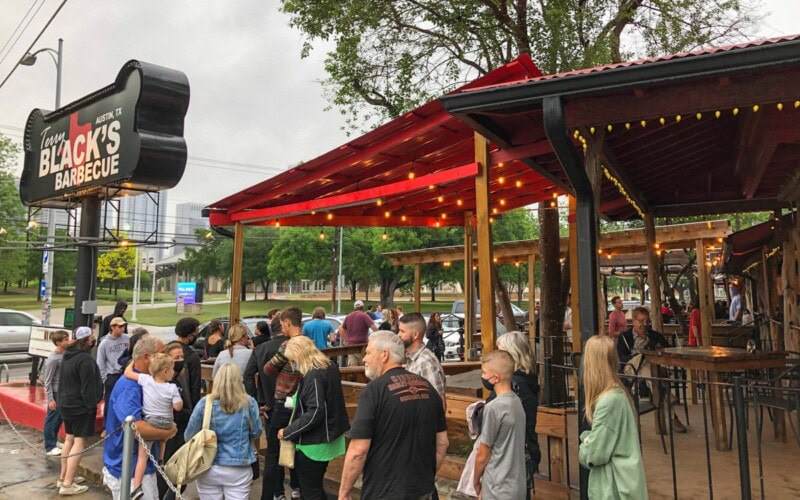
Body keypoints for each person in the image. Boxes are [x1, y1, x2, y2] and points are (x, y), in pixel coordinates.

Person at [339, 332, 448, 500]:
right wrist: (426, 477)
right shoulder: (427, 387)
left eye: (368, 353)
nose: (364, 359)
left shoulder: (374, 391)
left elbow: (358, 451)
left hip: (385, 492)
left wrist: (344, 492)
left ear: (384, 355)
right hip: (425, 491)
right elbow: (442, 442)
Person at [102, 335, 177, 499]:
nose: (166, 358)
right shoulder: (130, 387)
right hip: (128, 468)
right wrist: (167, 433)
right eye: (161, 353)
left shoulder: (147, 380)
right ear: (146, 358)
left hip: (135, 463)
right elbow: (136, 428)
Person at [278, 336, 349, 499]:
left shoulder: (313, 375)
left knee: (310, 490)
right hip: (330, 436)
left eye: (292, 360)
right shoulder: (329, 366)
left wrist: (288, 431)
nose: (292, 364)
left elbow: (316, 411)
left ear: (300, 356)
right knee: (314, 486)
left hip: (314, 443)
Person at [579, 335, 648, 499]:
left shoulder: (609, 402)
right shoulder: (616, 394)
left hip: (616, 489)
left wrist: (585, 441)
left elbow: (593, 454)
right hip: (619, 485)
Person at [185, 364, 262, 499]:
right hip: (239, 466)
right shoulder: (249, 403)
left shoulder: (205, 403)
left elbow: (189, 436)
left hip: (208, 466)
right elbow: (256, 432)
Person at [123, 353, 183, 500]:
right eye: (172, 369)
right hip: (167, 422)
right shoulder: (172, 388)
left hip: (152, 421)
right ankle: (161, 460)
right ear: (165, 372)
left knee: (142, 457)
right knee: (164, 437)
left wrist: (132, 362)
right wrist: (174, 401)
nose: (174, 372)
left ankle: (136, 487)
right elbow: (178, 407)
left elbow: (127, 373)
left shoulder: (146, 380)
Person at [618, 306, 686, 433]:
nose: (645, 324)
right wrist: (641, 355)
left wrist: (657, 350)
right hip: (631, 369)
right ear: (633, 320)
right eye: (641, 321)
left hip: (650, 370)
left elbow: (667, 351)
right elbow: (621, 359)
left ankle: (665, 400)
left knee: (649, 370)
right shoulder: (624, 337)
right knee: (643, 357)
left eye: (647, 321)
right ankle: (672, 413)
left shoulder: (655, 336)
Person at [261, 308, 305, 500]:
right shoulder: (308, 344)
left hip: (283, 401)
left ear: (286, 323)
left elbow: (268, 369)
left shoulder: (288, 346)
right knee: (298, 446)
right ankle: (298, 488)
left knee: (273, 451)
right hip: (302, 401)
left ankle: (272, 494)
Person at [490, 331, 541, 494]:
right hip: (520, 451)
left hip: (511, 455)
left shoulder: (515, 386)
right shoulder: (525, 381)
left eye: (501, 353)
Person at [473, 350, 527, 500]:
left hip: (497, 486)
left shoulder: (493, 408)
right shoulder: (517, 402)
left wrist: (476, 481)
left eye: (484, 373)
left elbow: (483, 454)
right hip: (517, 484)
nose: (482, 376)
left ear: (495, 377)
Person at [57, 326, 103, 496]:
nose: (93, 339)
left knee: (69, 440)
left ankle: (64, 477)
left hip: (66, 404)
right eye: (91, 337)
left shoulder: (67, 356)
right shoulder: (85, 360)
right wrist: (92, 405)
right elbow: (88, 388)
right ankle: (68, 483)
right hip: (79, 407)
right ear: (86, 340)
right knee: (79, 442)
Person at [157, 342, 194, 500]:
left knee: (182, 473)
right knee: (167, 469)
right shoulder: (166, 383)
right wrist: (191, 413)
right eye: (176, 357)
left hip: (183, 429)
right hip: (171, 429)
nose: (180, 360)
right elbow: (174, 410)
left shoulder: (182, 376)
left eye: (182, 356)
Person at [397, 312, 447, 410]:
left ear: (415, 335)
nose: (398, 335)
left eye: (402, 331)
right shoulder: (413, 358)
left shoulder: (426, 362)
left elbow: (439, 404)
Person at [97, 317, 130, 426]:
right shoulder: (104, 343)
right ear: (112, 327)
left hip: (125, 373)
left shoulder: (127, 338)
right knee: (110, 401)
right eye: (120, 326)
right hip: (112, 375)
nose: (122, 329)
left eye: (123, 326)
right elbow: (100, 362)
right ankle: (106, 426)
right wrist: (105, 378)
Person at [43, 329, 69, 456]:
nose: (67, 341)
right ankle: (49, 445)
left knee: (59, 418)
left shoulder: (65, 354)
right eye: (65, 340)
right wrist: (50, 399)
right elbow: (47, 380)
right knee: (52, 419)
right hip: (55, 392)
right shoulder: (53, 359)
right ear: (58, 342)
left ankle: (54, 440)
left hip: (64, 391)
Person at [337, 300, 377, 366]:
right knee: (364, 366)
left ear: (354, 308)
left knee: (353, 368)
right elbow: (374, 328)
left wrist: (346, 339)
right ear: (363, 308)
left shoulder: (348, 317)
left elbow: (341, 329)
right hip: (362, 346)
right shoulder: (364, 316)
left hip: (351, 346)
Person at [174, 317, 202, 408]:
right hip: (185, 404)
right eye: (196, 332)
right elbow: (195, 386)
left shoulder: (166, 349)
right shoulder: (192, 356)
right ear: (190, 335)